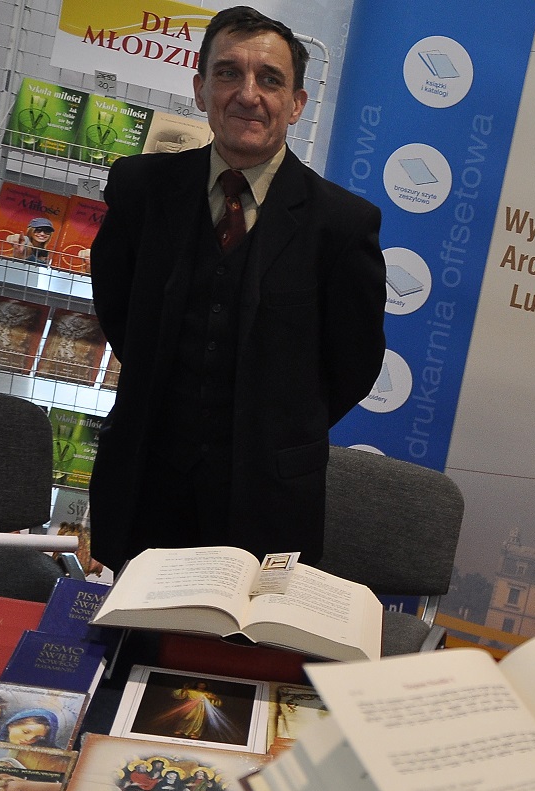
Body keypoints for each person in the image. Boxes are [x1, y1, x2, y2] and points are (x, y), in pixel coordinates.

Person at [88, 5, 386, 572]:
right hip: (144, 486)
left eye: (270, 79)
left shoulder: (343, 225)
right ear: (201, 89)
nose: (248, 95)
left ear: (296, 103)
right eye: (228, 73)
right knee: (129, 625)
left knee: (245, 634)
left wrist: (277, 428)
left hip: (269, 500)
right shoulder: (139, 189)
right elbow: (119, 312)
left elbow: (354, 364)